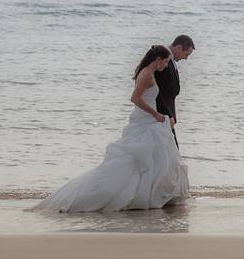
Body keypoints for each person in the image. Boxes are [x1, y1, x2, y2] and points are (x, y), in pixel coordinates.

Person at [32, 45, 189, 213]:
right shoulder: (146, 75)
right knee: (138, 159)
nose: (166, 66)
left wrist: (159, 115)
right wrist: (155, 114)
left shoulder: (149, 73)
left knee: (157, 157)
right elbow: (135, 98)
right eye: (165, 62)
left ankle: (155, 193)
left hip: (149, 119)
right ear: (158, 60)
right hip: (146, 119)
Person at [155, 34, 195, 148]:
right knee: (171, 153)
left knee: (170, 153)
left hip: (167, 115)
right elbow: (159, 91)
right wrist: (168, 115)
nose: (186, 58)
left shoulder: (170, 61)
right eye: (186, 54)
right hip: (162, 115)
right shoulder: (164, 61)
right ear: (178, 48)